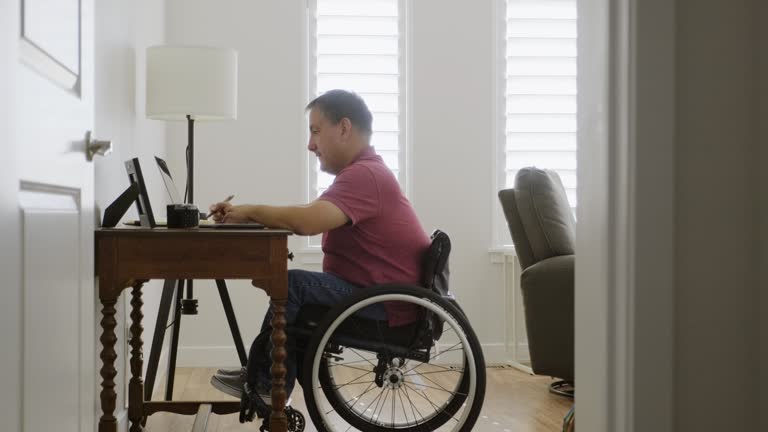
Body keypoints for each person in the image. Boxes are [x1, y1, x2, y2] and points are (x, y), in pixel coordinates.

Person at [208, 89, 431, 403]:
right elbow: (308, 213)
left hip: (384, 304)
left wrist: (251, 210)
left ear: (343, 128)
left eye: (315, 131)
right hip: (378, 294)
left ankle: (265, 382)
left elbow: (306, 222)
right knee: (296, 286)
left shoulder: (365, 175)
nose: (310, 144)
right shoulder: (363, 173)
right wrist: (244, 215)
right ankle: (266, 378)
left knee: (294, 284)